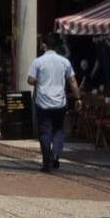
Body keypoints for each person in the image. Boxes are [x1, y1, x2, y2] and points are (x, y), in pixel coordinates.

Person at [28, 35, 82, 173]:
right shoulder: (64, 61)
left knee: (44, 132)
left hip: (43, 103)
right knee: (58, 130)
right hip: (60, 102)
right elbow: (72, 81)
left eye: (41, 44)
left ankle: (47, 162)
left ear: (44, 45)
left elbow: (30, 80)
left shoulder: (38, 62)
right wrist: (78, 98)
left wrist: (39, 80)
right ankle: (56, 155)